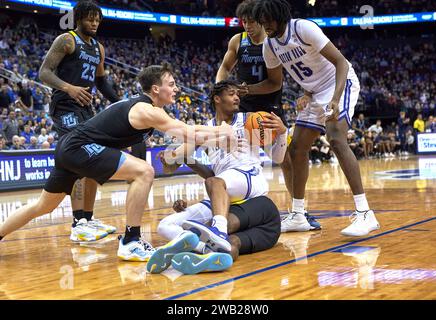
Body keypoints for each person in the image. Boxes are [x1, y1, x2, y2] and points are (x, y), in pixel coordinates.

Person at [0, 64, 236, 261]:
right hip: (78, 147)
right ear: (156, 89)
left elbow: (188, 132)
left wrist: (221, 133)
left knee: (43, 206)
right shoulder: (146, 109)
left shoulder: (150, 110)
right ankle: (131, 240)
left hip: (70, 147)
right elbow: (187, 132)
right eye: (171, 84)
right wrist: (222, 130)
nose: (176, 88)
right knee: (144, 171)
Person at [240, 0, 379, 236]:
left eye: (267, 20)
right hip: (314, 93)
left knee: (336, 139)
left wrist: (335, 99)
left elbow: (341, 63)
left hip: (339, 83)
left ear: (279, 16)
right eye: (261, 21)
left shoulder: (303, 28)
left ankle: (365, 213)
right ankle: (298, 215)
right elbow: (275, 82)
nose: (265, 25)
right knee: (296, 151)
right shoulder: (270, 46)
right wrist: (247, 90)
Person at [146, 80, 286, 274]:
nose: (237, 97)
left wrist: (281, 133)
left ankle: (218, 231)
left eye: (238, 94)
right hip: (226, 190)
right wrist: (170, 159)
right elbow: (171, 168)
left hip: (250, 180)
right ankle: (202, 250)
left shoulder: (249, 120)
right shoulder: (206, 129)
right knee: (166, 225)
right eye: (231, 93)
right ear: (217, 99)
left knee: (215, 183)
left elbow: (278, 157)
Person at [214, 0, 319, 229]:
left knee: (286, 160)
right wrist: (220, 87)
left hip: (268, 109)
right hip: (241, 109)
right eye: (244, 22)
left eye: (251, 21)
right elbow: (224, 67)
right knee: (237, 159)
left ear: (261, 21)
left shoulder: (272, 44)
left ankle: (299, 210)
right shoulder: (237, 41)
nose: (247, 26)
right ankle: (233, 211)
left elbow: (275, 83)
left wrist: (248, 89)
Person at [38, 1, 121, 241]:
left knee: (95, 158)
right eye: (89, 18)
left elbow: (102, 82)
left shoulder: (99, 48)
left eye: (97, 19)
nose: (94, 23)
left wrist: (121, 102)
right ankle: (78, 222)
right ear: (79, 19)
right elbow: (44, 72)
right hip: (64, 106)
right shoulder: (67, 40)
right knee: (79, 159)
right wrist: (69, 88)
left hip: (86, 107)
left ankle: (88, 218)